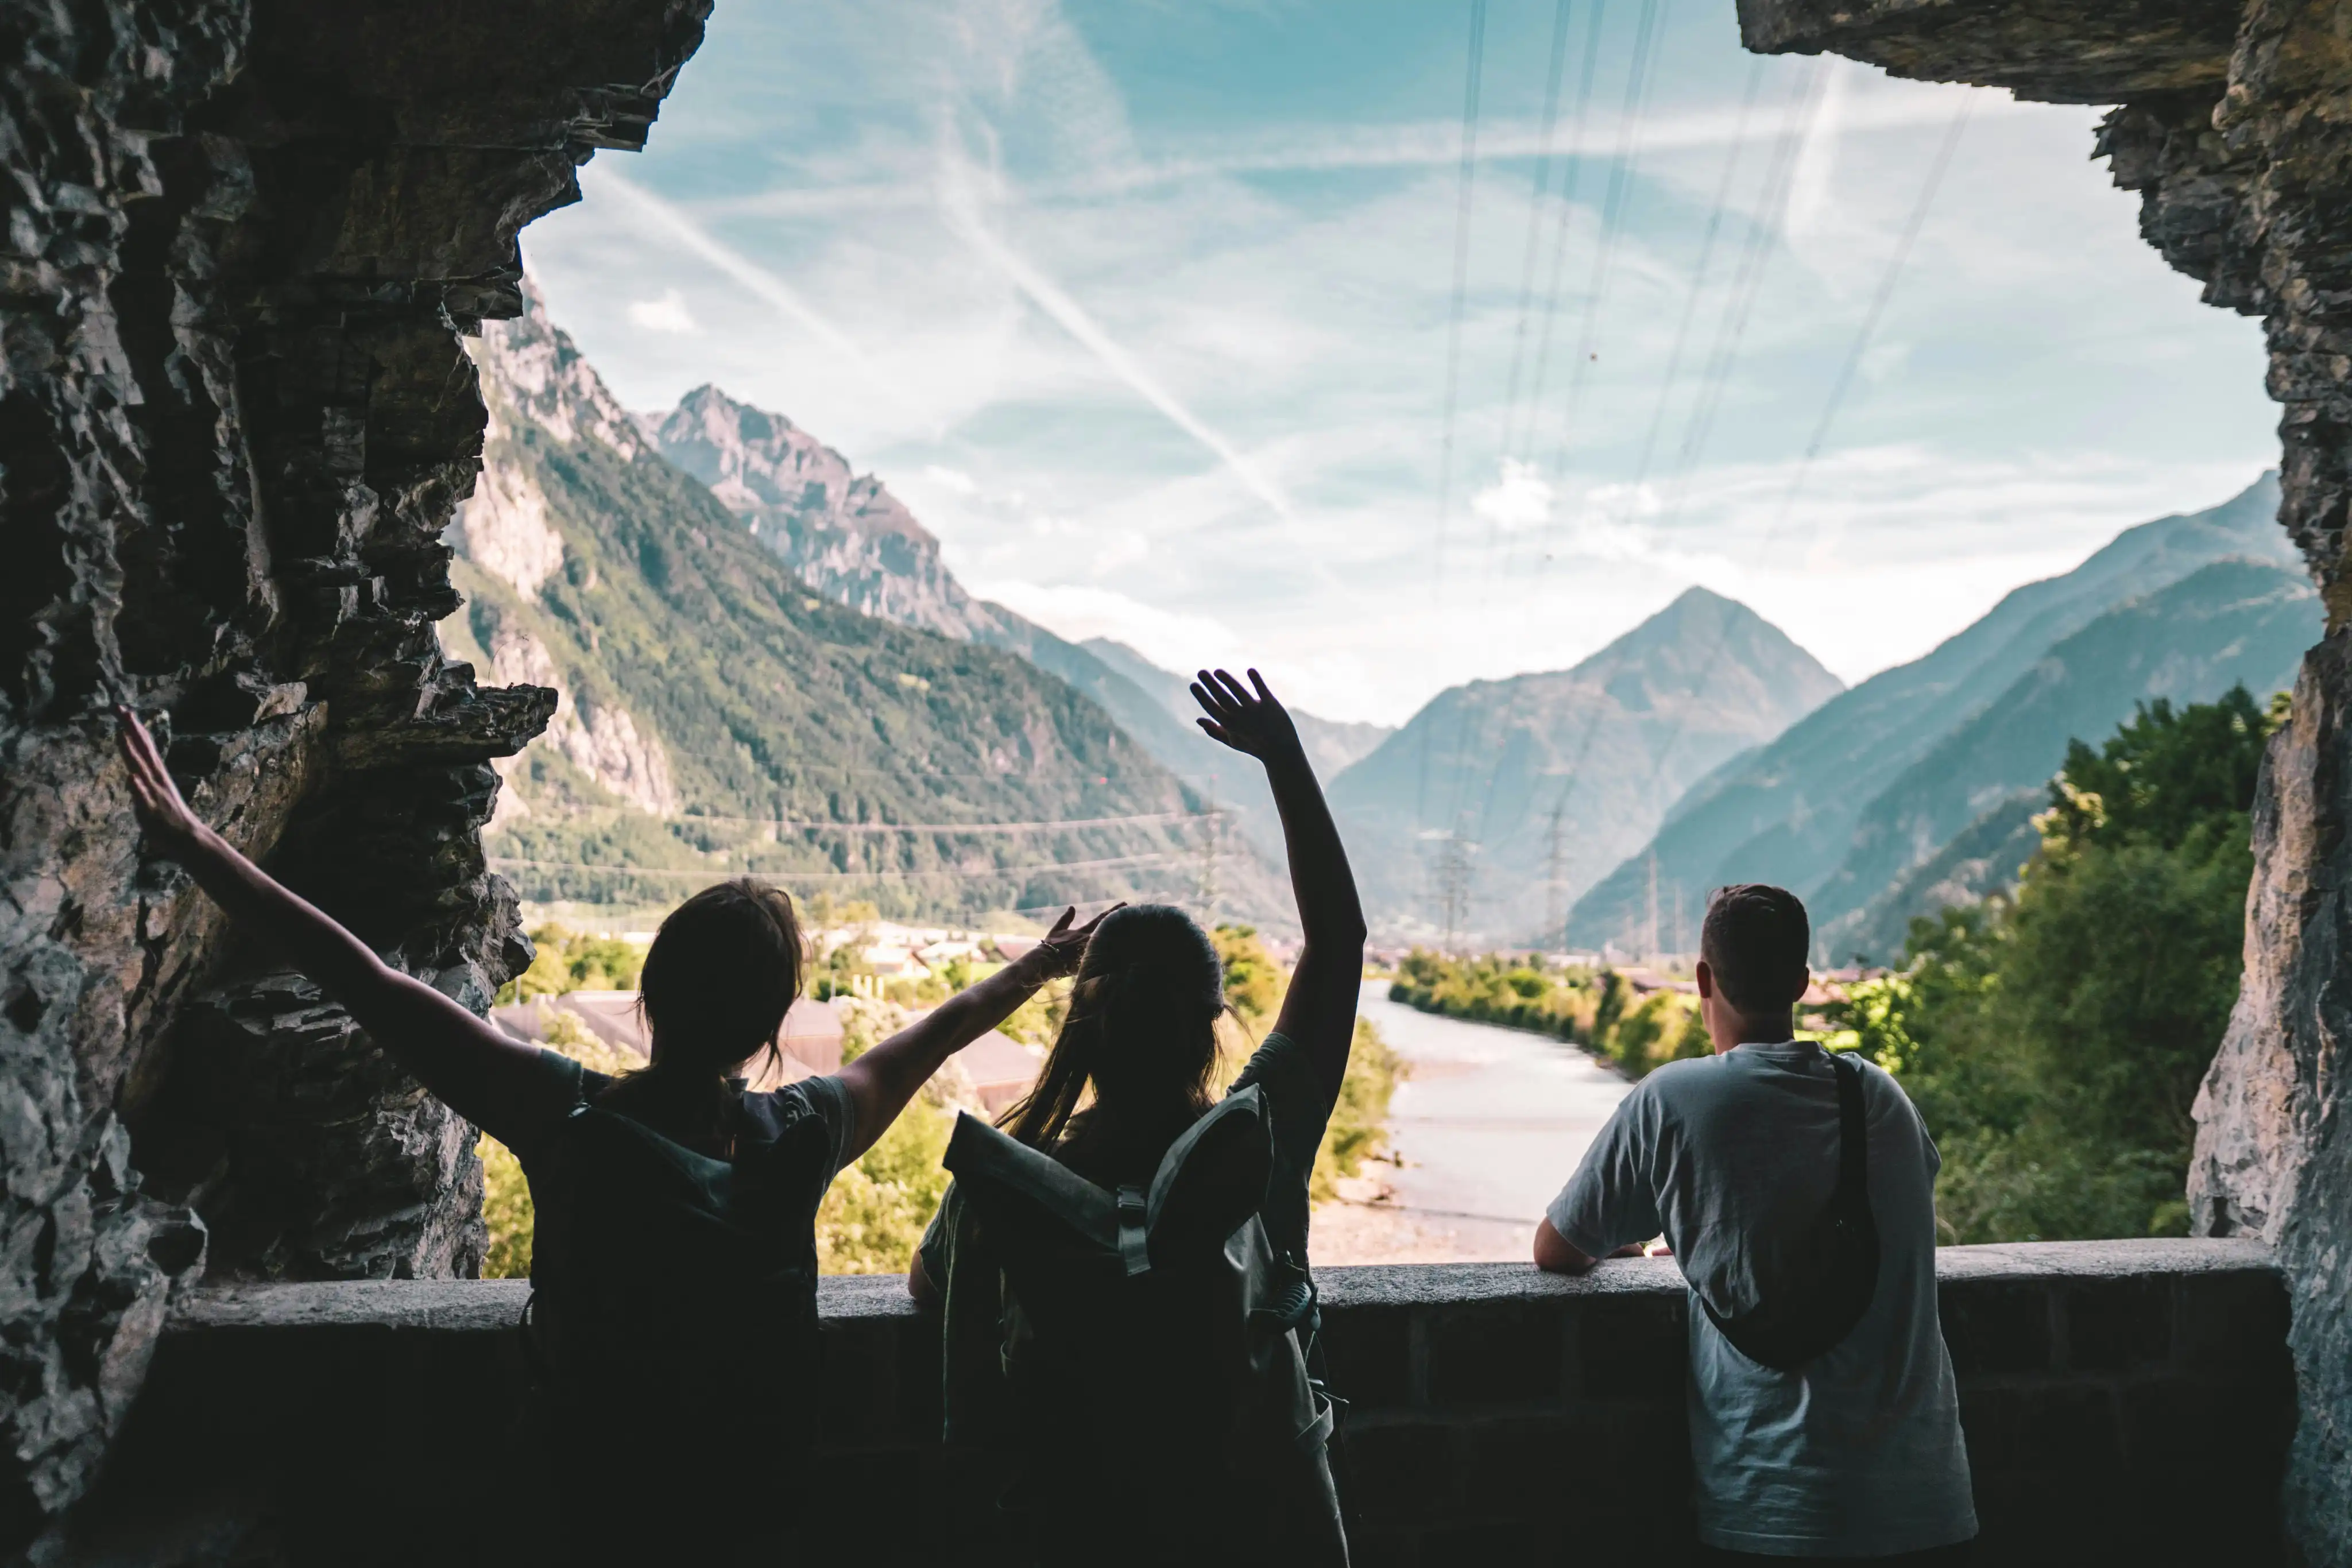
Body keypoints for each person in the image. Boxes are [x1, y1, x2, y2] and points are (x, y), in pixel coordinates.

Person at [112, 706, 1110, 1562]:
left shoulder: (571, 1121)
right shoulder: (804, 1134)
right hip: (753, 1510)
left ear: (650, 994)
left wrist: (203, 845)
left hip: (584, 1500)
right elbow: (921, 1042)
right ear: (769, 1029)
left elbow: (373, 987)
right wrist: (1034, 970)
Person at [911, 668, 1366, 1567]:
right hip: (1242, 1528)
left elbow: (933, 1294)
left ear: (1084, 1017)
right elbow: (1340, 941)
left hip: (1065, 1526)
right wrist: (1283, 760)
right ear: (1210, 1024)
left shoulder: (1010, 1177)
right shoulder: (1254, 1143)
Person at [1534, 884, 1976, 1565]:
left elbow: (1557, 1248)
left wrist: (1642, 1239)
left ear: (1702, 979)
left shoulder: (1672, 1099)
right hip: (1926, 1504)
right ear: (1803, 981)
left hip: (1770, 1505)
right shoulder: (1881, 1097)